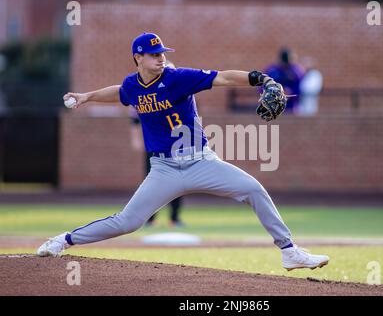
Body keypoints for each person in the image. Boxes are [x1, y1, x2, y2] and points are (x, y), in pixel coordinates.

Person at [37, 33, 329, 271]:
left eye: (162, 52)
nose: (160, 57)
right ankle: (63, 240)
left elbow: (223, 77)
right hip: (163, 170)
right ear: (138, 57)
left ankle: (289, 251)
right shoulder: (132, 85)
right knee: (128, 222)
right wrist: (86, 97)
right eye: (154, 54)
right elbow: (121, 93)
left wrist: (261, 79)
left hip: (201, 161)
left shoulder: (178, 78)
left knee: (253, 188)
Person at [130, 59, 184, 227]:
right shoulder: (146, 96)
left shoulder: (179, 96)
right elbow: (134, 119)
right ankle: (150, 218)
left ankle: (174, 218)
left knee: (179, 182)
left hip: (177, 146)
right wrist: (136, 139)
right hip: (154, 145)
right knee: (151, 183)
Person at [265, 48, 304, 112]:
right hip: (273, 104)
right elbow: (263, 86)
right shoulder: (272, 70)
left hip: (291, 105)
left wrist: (291, 92)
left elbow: (301, 88)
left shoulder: (296, 71)